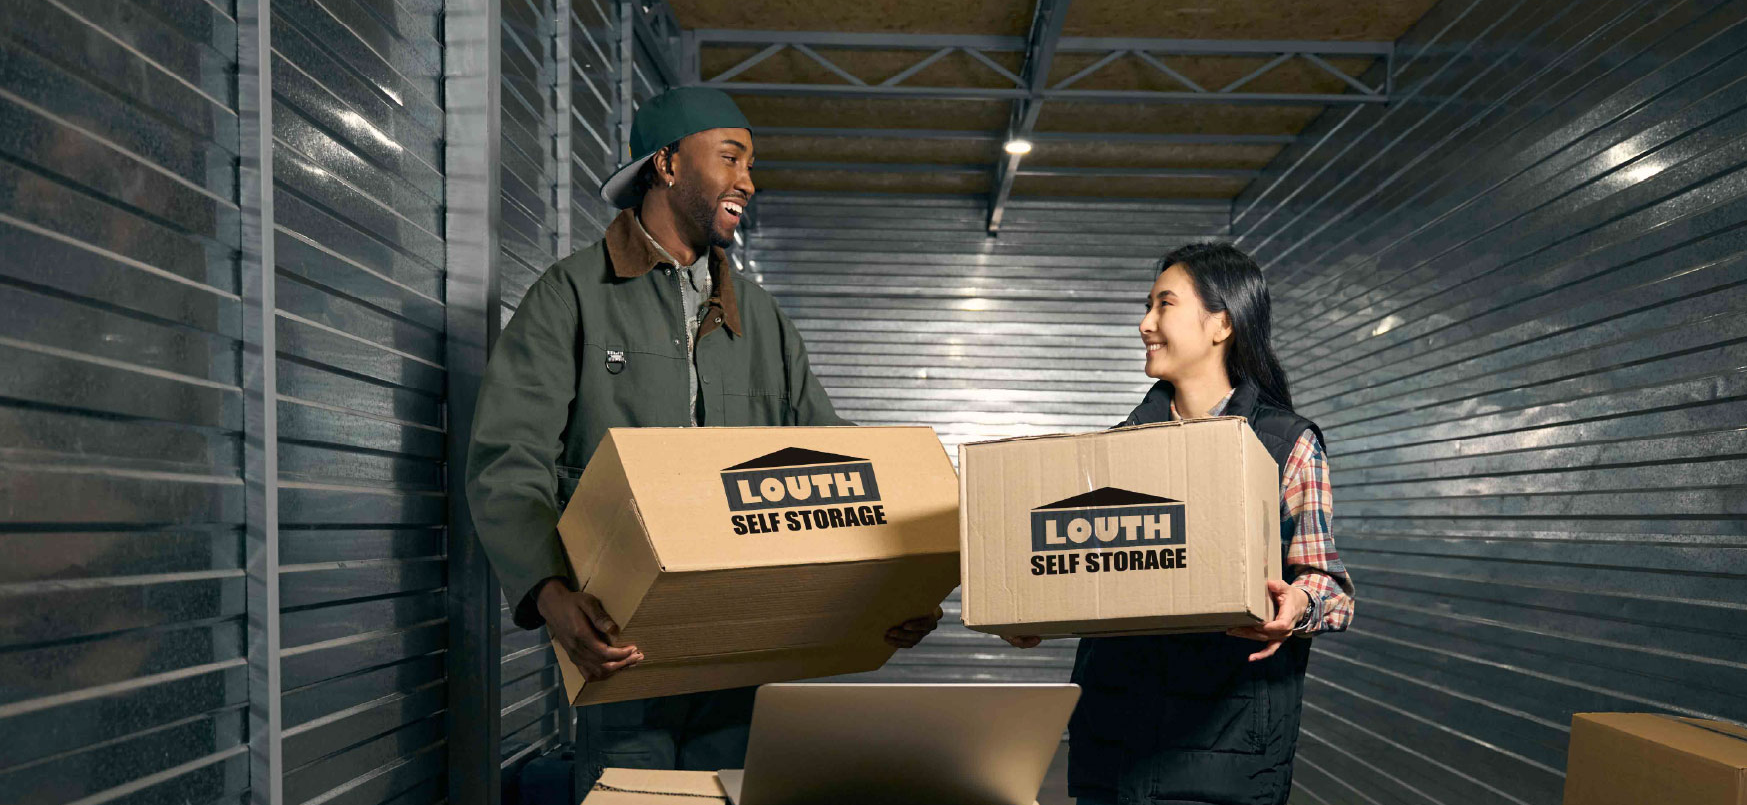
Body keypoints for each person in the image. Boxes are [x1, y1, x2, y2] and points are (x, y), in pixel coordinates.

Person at [465, 86, 942, 798]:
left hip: (747, 643)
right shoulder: (574, 296)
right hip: (623, 645)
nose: (748, 180)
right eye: (730, 157)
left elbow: (833, 459)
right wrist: (548, 591)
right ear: (665, 163)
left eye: (750, 163)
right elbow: (509, 457)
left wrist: (895, 580)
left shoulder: (760, 320)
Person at [1002, 241, 1355, 805]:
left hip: (1227, 748)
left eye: (1164, 304)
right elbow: (1091, 572)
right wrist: (1030, 608)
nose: (1145, 323)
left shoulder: (1285, 444)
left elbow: (1330, 587)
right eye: (1147, 306)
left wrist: (1296, 607)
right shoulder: (1115, 452)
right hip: (1114, 743)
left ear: (1222, 324)